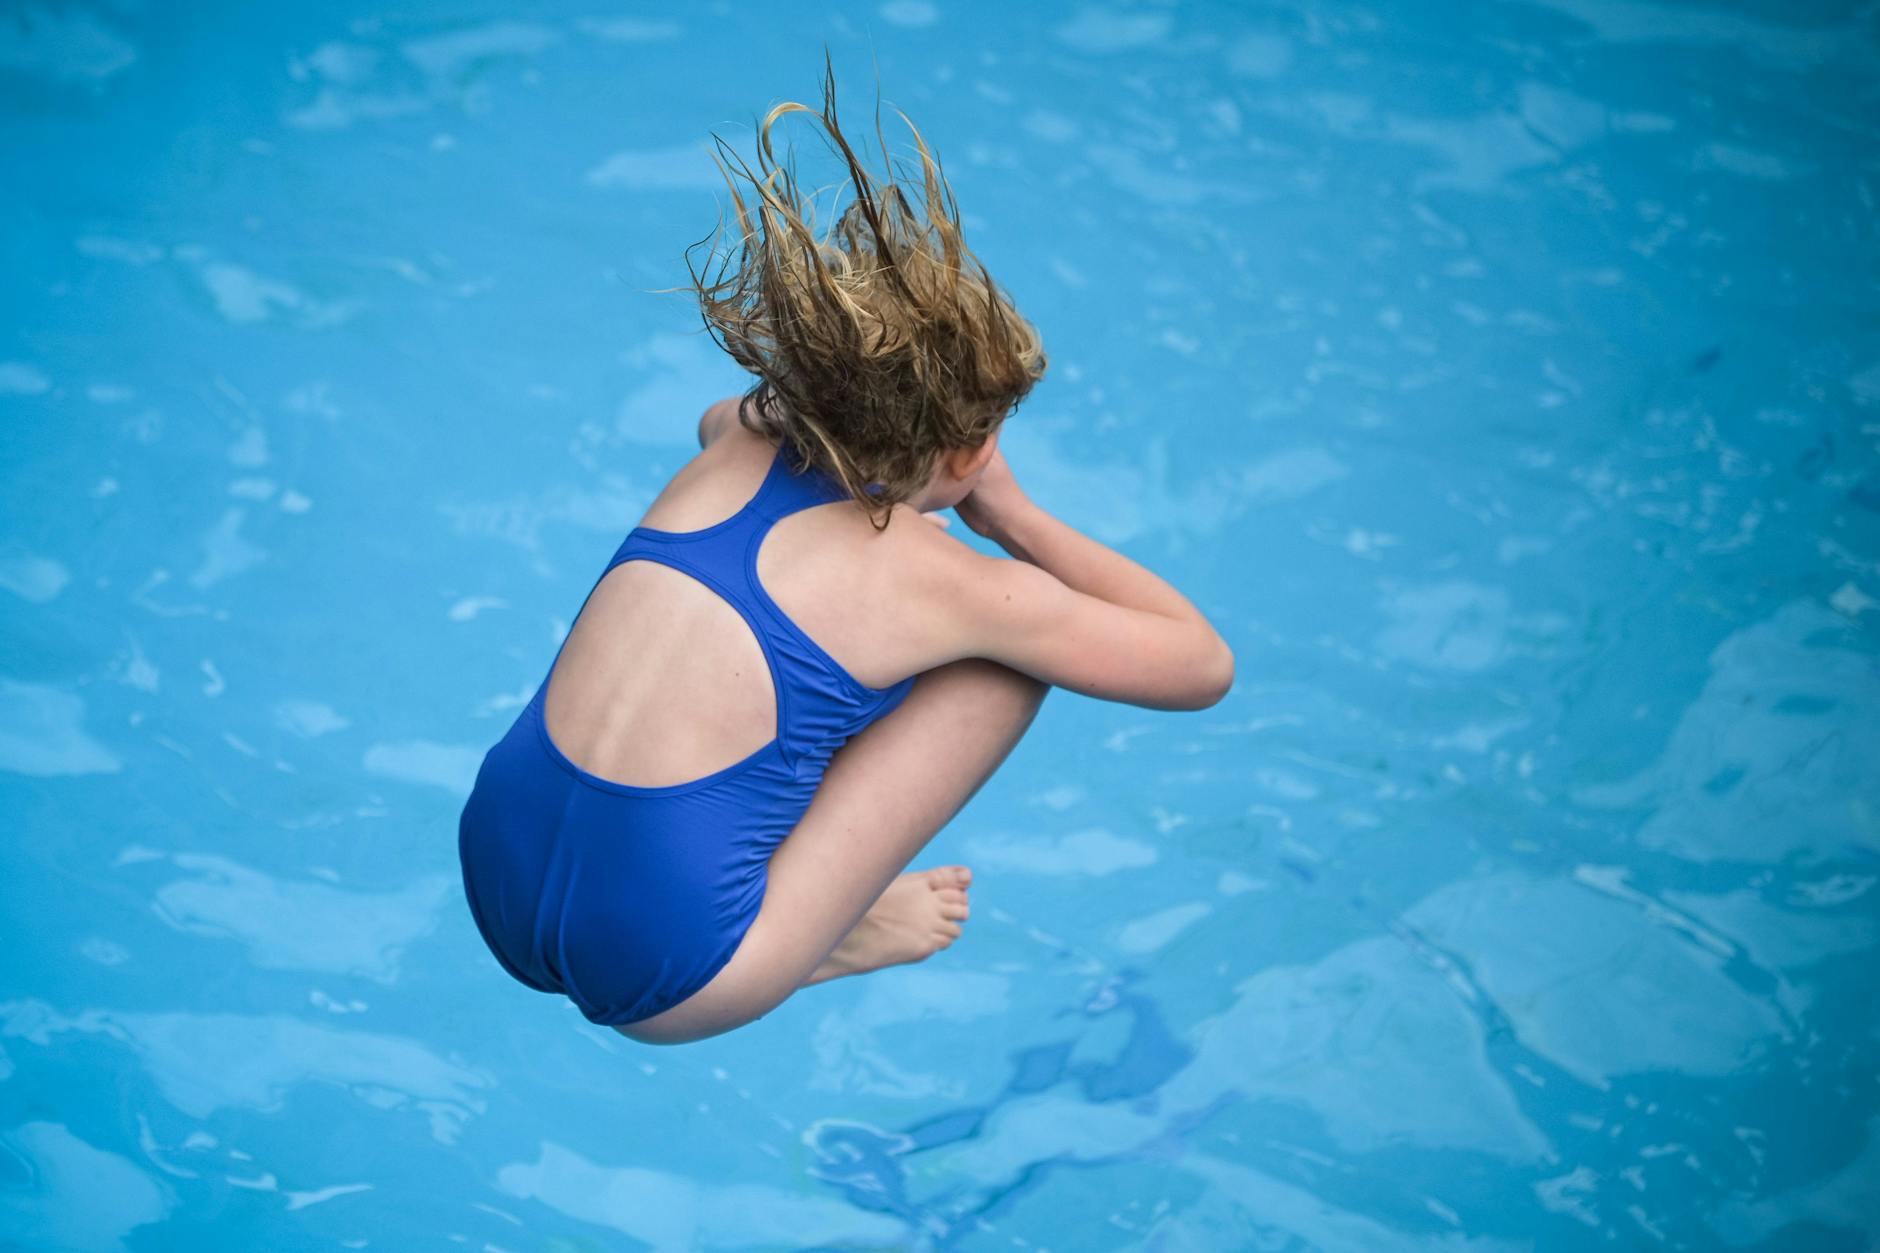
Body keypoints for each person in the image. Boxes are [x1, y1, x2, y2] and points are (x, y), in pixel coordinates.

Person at [457, 58, 1234, 1046]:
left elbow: (722, 419)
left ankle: (793, 901)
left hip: (494, 864)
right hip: (671, 979)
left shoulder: (738, 435)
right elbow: (1200, 665)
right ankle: (822, 925)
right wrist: (1012, 519)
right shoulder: (948, 584)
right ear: (967, 452)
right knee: (1009, 661)